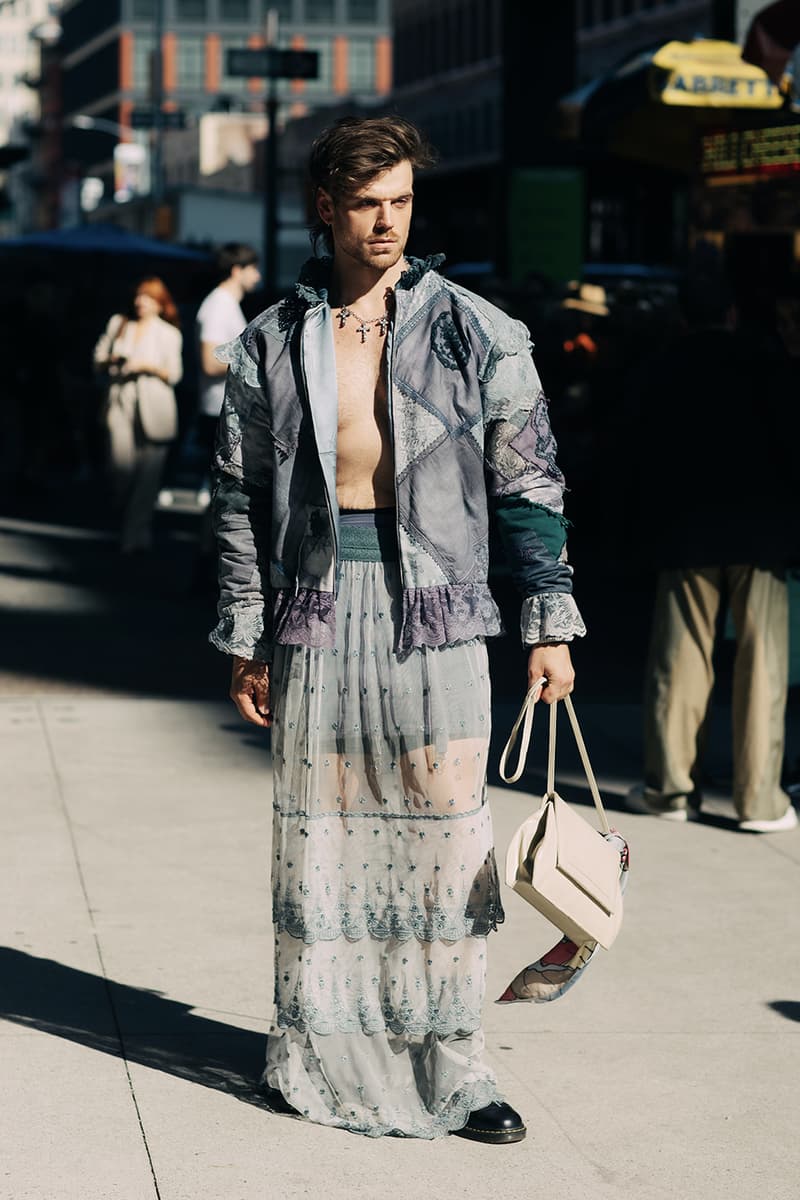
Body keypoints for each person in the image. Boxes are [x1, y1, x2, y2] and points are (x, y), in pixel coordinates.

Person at [209, 115, 585, 1141]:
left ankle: (456, 1064)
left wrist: (546, 622)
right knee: (325, 838)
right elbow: (239, 498)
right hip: (319, 615)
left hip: (442, 617)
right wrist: (247, 634)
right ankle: (318, 1046)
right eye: (367, 203)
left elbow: (528, 483)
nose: (387, 223)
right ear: (325, 207)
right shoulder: (270, 344)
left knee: (446, 839)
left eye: (402, 202)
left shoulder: (474, 329)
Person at [625, 276, 798, 833]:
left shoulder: (662, 367)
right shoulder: (769, 364)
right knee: (763, 664)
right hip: (762, 529)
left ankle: (672, 791)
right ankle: (759, 802)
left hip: (687, 529)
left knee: (680, 661)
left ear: (682, 315)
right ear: (730, 312)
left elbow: (635, 449)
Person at [94, 277, 183, 554]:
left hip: (155, 404)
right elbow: (97, 359)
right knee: (120, 467)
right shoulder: (119, 323)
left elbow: (175, 374)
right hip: (120, 400)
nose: (140, 302)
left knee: (149, 475)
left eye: (147, 297)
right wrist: (112, 361)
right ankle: (129, 522)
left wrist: (146, 366)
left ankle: (135, 534)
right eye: (138, 296)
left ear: (160, 303)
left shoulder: (169, 333)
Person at [195, 242, 261, 466]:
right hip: (219, 409)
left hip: (227, 408)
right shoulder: (218, 305)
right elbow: (210, 362)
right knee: (224, 490)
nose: (257, 276)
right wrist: (255, 362)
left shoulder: (227, 304)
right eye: (253, 268)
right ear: (236, 270)